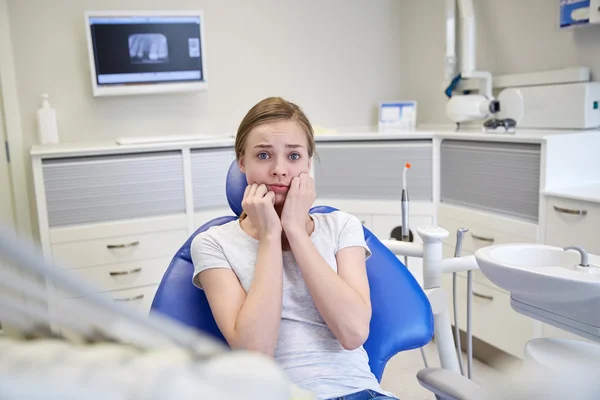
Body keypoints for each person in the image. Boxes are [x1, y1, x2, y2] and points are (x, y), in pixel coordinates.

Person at [190, 97, 399, 400]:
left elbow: (353, 333)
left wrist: (295, 231)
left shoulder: (341, 226)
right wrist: (271, 237)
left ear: (308, 162)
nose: (279, 170)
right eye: (263, 155)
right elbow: (255, 354)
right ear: (241, 161)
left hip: (362, 392)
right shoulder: (212, 244)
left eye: (293, 156)